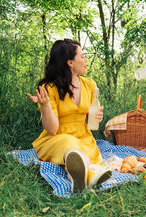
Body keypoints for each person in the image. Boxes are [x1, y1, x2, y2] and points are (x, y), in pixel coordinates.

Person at [28, 39, 111, 191]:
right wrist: (45, 105)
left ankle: (80, 179)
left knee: (82, 152)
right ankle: (85, 176)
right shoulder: (49, 88)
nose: (86, 60)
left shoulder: (90, 85)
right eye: (82, 56)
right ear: (70, 63)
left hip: (84, 137)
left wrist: (93, 116)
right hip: (57, 138)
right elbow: (52, 129)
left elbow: (93, 123)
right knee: (70, 145)